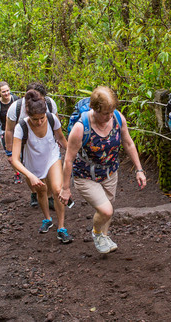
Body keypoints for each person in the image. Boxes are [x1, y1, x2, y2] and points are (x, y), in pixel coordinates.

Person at [59, 86, 146, 254]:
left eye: (111, 111)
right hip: (85, 176)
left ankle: (103, 239)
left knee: (107, 210)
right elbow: (68, 159)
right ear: (94, 109)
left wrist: (139, 169)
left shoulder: (118, 118)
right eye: (105, 113)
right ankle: (97, 233)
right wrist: (65, 188)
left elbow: (128, 143)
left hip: (110, 173)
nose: (109, 116)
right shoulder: (80, 127)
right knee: (106, 210)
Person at [9, 89, 73, 244]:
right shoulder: (21, 127)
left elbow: (62, 139)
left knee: (57, 189)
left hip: (52, 157)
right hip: (33, 163)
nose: (39, 122)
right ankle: (47, 219)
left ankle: (61, 228)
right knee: (42, 191)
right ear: (28, 114)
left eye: (42, 118)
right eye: (35, 119)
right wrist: (29, 175)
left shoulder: (51, 119)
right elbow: (15, 159)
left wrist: (74, 156)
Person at [5, 82, 58, 207]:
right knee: (29, 169)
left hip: (45, 140)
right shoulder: (15, 108)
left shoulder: (49, 104)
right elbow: (9, 129)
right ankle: (35, 191)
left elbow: (55, 123)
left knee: (49, 168)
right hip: (24, 143)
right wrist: (9, 151)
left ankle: (49, 196)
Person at [0, 81, 20, 182]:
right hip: (4, 131)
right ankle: (17, 173)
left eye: (7, 91)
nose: (6, 93)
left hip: (18, 130)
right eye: (3, 92)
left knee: (22, 153)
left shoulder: (16, 100)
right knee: (10, 156)